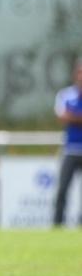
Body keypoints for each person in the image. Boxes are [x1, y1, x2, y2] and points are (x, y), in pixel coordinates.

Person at [53, 59, 82, 226]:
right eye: (80, 73)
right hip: (70, 150)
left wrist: (73, 117)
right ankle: (57, 225)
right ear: (75, 75)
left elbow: (69, 116)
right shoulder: (65, 94)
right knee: (62, 190)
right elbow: (62, 116)